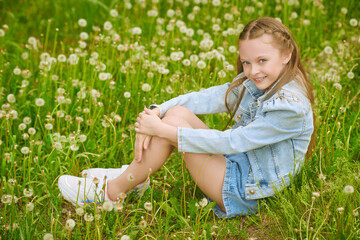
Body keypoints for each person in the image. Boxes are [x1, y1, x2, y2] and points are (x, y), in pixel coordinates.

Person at [58, 17, 315, 218]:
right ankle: (131, 179)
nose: (252, 71)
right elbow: (209, 97)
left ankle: (111, 194)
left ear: (286, 54)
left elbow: (232, 142)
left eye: (261, 60)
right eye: (246, 62)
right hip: (240, 165)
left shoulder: (288, 108)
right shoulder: (263, 80)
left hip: (247, 191)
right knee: (176, 114)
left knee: (171, 125)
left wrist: (161, 130)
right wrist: (158, 110)